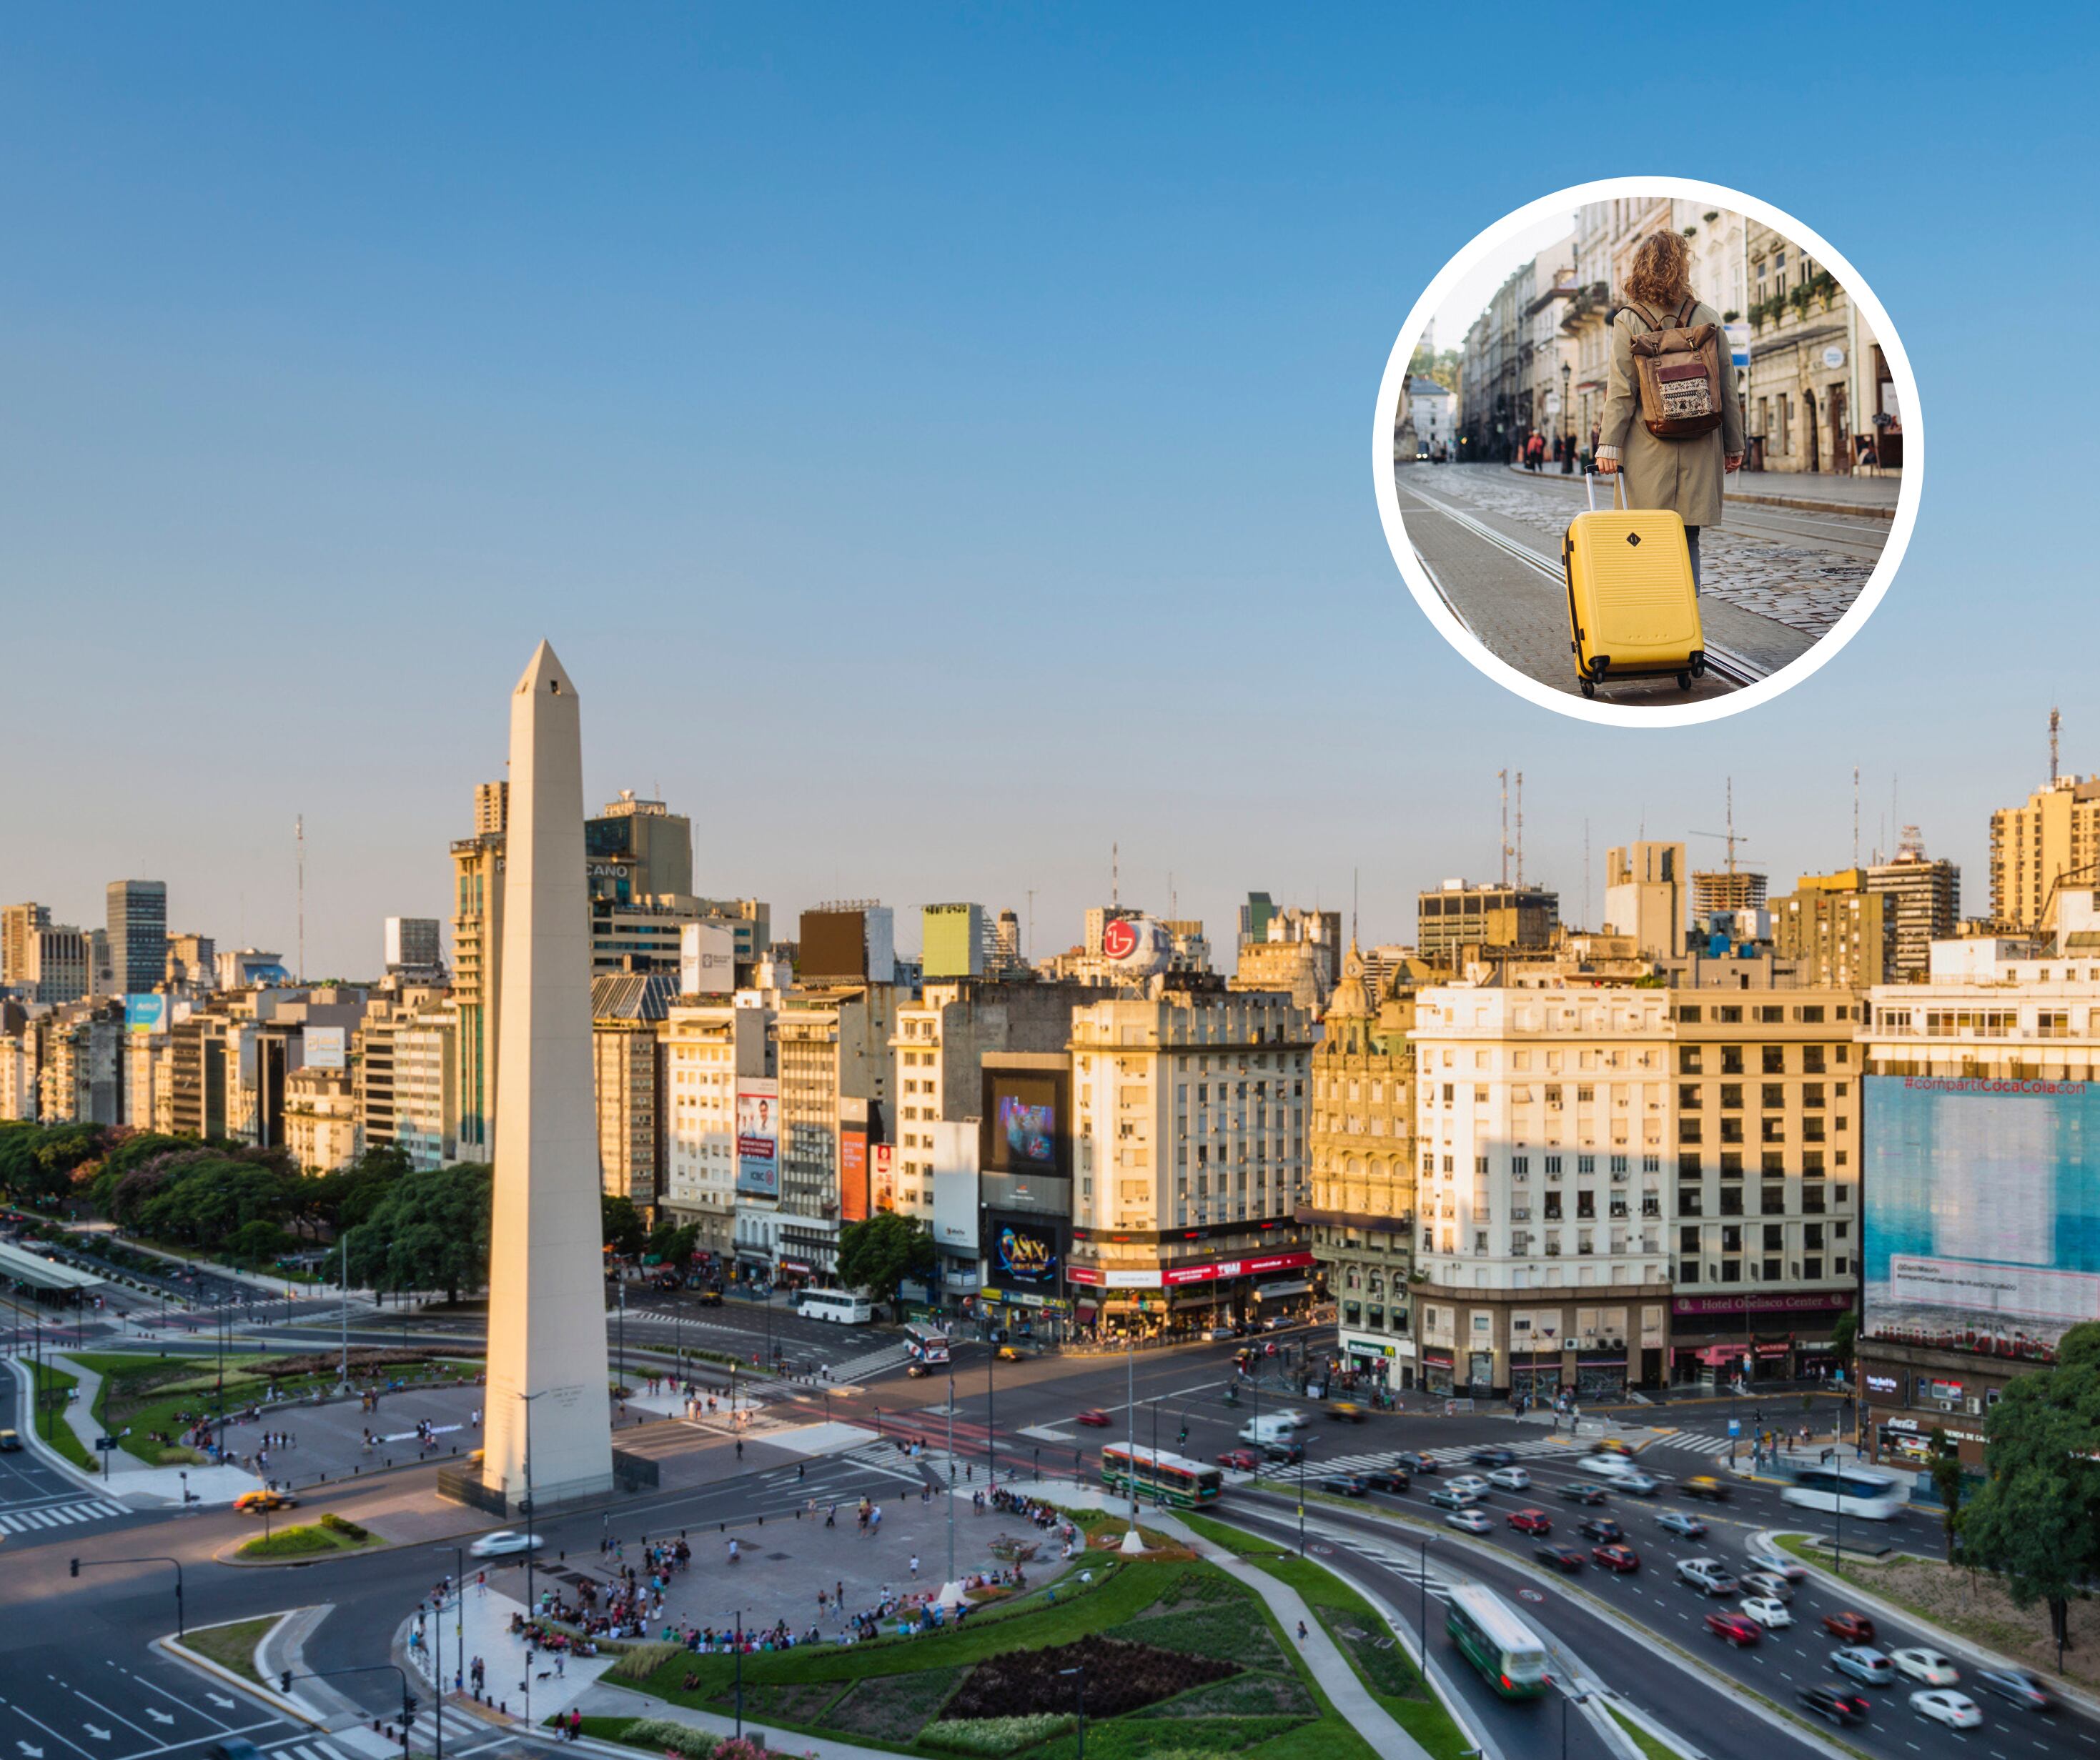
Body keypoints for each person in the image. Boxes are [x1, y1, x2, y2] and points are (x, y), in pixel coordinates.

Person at [1594, 229, 1745, 592]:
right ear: (1682, 268)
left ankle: (1651, 607)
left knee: (1643, 535)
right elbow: (1727, 385)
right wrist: (1734, 444)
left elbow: (1622, 390)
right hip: (1700, 441)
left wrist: (1608, 444)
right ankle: (1686, 613)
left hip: (1647, 445)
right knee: (1687, 534)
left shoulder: (1629, 319)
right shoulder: (1707, 316)